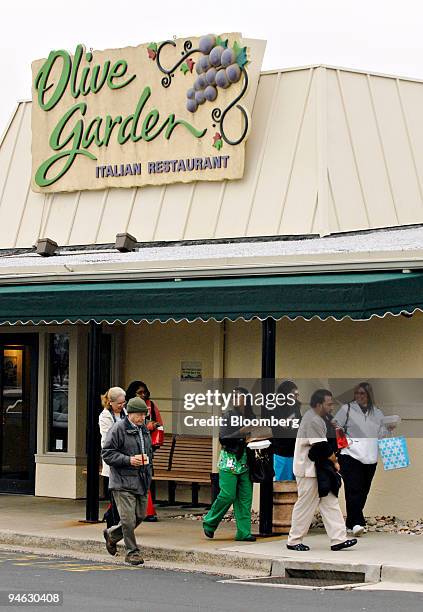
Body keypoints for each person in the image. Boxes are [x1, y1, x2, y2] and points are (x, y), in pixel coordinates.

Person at [287, 389, 357, 551]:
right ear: (319, 404)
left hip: (319, 469)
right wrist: (335, 462)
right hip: (308, 470)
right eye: (329, 404)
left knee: (330, 501)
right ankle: (293, 540)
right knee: (306, 505)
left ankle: (338, 539)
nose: (332, 407)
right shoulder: (313, 420)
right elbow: (321, 446)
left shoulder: (320, 418)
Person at [102, 397, 153, 565]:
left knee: (140, 515)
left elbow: (149, 451)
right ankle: (132, 552)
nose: (142, 418)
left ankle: (112, 535)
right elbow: (107, 453)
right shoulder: (118, 429)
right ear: (130, 414)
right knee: (128, 519)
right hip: (122, 481)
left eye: (144, 415)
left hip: (141, 479)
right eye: (139, 415)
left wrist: (148, 467)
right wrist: (129, 460)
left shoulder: (143, 429)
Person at [335, 382, 390, 537]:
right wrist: (345, 442)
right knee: (353, 488)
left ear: (369, 395)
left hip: (370, 456)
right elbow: (335, 426)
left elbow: (381, 434)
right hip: (350, 454)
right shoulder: (347, 409)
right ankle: (358, 522)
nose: (359, 396)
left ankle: (350, 522)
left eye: (362, 393)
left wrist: (388, 429)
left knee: (364, 490)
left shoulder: (377, 413)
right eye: (357, 393)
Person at [202, 387, 256, 542]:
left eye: (238, 397)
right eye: (233, 397)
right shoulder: (229, 416)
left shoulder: (251, 416)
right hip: (229, 461)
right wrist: (241, 432)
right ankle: (210, 522)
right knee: (227, 495)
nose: (234, 399)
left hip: (246, 461)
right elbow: (223, 439)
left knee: (245, 498)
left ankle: (244, 532)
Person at [126, 380, 164, 521]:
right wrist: (147, 426)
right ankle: (118, 510)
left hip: (146, 448)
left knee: (143, 477)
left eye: (144, 392)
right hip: (130, 449)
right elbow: (129, 427)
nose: (143, 395)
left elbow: (159, 424)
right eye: (139, 392)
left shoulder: (151, 405)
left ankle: (147, 511)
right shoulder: (126, 407)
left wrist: (153, 426)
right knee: (130, 480)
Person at [99, 386, 127, 527]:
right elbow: (108, 439)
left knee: (122, 496)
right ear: (110, 402)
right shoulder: (105, 416)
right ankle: (112, 522)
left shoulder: (124, 413)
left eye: (124, 403)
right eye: (119, 404)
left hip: (125, 459)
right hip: (113, 460)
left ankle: (115, 520)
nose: (122, 406)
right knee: (115, 496)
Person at [272, 380, 302, 481]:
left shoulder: (296, 410)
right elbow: (280, 429)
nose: (296, 397)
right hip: (282, 454)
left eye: (297, 394)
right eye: (294, 394)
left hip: (295, 453)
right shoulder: (276, 410)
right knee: (282, 486)